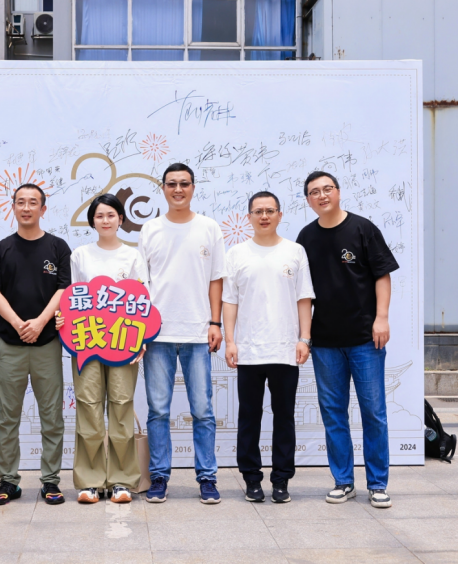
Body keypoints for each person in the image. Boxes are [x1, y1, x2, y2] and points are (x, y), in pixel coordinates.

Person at [296, 171, 399, 509]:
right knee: (333, 414)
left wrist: (381, 318)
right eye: (314, 192)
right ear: (308, 200)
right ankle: (343, 481)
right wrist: (305, 336)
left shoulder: (362, 229)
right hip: (325, 342)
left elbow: (382, 274)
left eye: (327, 189)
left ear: (338, 192)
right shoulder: (305, 237)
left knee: (373, 413)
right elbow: (303, 292)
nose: (322, 195)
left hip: (365, 339)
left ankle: (378, 484)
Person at [138, 163, 226, 504]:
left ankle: (207, 477)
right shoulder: (150, 229)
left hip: (197, 332)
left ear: (193, 188)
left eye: (184, 184)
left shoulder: (209, 228)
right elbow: (142, 283)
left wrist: (215, 323)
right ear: (163, 188)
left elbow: (216, 279)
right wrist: (141, 331)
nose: (178, 189)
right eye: (172, 184)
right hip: (157, 335)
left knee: (202, 410)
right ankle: (159, 475)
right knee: (158, 410)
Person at [223, 191, 314, 504]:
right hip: (249, 350)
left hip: (286, 349)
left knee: (284, 416)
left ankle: (281, 479)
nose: (264, 216)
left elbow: (304, 297)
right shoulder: (237, 253)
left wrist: (304, 338)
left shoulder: (295, 251)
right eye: (258, 211)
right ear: (249, 216)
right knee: (249, 417)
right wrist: (231, 340)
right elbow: (230, 301)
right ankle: (251, 478)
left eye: (270, 211)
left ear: (279, 215)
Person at [55, 194, 147, 504]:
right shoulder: (81, 255)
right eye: (99, 216)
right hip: (86, 341)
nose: (105, 220)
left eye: (111, 215)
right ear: (92, 221)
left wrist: (142, 339)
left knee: (121, 407)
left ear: (121, 219)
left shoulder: (133, 256)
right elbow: (70, 298)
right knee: (88, 407)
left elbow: (142, 301)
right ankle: (90, 481)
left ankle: (122, 481)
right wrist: (62, 319)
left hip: (123, 342)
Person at [0, 183, 71, 506]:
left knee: (52, 416)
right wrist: (19, 324)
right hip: (11, 344)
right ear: (13, 207)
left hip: (47, 343)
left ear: (43, 209)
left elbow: (63, 289)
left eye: (32, 202)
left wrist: (39, 323)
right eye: (20, 202)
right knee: (7, 417)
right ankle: (8, 481)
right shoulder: (1, 249)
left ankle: (51, 481)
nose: (26, 208)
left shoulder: (58, 247)